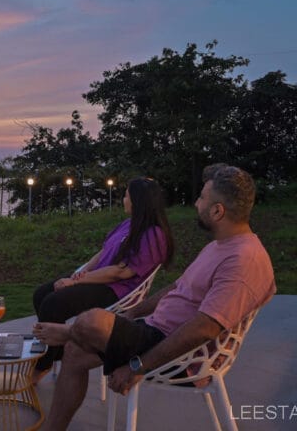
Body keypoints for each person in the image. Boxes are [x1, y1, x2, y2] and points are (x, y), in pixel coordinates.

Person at [33, 164, 276, 431]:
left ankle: (68, 331)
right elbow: (177, 288)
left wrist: (138, 366)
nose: (196, 203)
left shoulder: (243, 260)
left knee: (91, 321)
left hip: (181, 356)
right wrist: (133, 312)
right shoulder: (218, 247)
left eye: (202, 198)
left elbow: (204, 328)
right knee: (74, 353)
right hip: (153, 330)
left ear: (218, 211)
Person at [31, 177, 174, 384]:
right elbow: (103, 253)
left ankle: (42, 366)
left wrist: (77, 282)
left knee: (53, 303)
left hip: (117, 290)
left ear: (137, 200)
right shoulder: (128, 224)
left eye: (126, 195)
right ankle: (57, 351)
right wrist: (79, 274)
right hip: (98, 279)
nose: (123, 199)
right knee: (42, 293)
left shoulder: (154, 234)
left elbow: (122, 272)